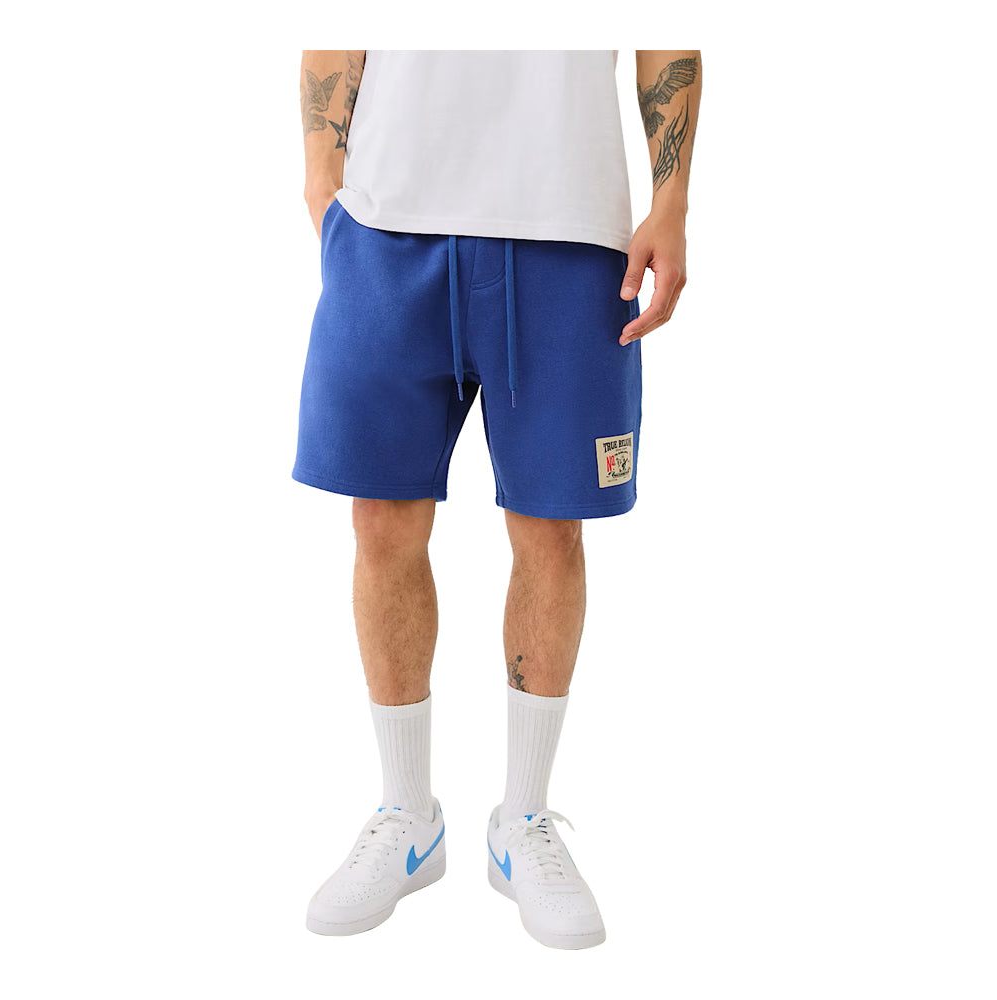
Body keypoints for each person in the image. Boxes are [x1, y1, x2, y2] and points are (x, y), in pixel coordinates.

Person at [293, 49, 702, 950]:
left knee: (551, 529)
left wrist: (670, 199)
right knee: (381, 520)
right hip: (388, 223)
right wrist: (323, 177)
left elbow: (668, 36)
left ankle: (523, 820)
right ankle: (408, 816)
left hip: (569, 224)